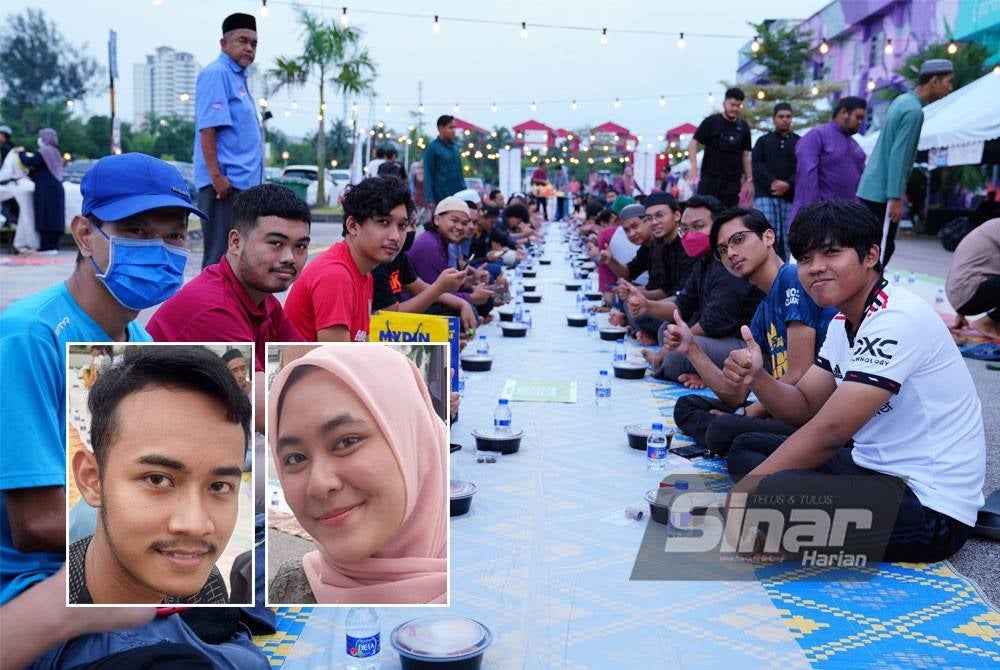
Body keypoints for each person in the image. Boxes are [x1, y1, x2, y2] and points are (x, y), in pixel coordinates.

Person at [722, 199, 984, 563]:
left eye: (831, 253)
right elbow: (805, 409)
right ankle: (795, 530)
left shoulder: (897, 318)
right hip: (872, 469)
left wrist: (743, 495)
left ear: (870, 255)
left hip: (929, 505)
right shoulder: (843, 324)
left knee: (769, 492)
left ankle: (787, 531)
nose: (816, 268)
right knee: (745, 447)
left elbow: (828, 433)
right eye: (806, 258)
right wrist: (758, 377)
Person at [0, 153, 202, 607]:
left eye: (174, 236)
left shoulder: (138, 338)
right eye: (136, 231)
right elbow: (36, 525)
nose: (159, 249)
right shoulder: (29, 337)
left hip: (118, 559)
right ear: (85, 235)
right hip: (37, 586)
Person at [68, 346, 250, 604]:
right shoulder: (30, 627)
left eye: (219, 486)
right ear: (92, 479)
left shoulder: (207, 591)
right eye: (158, 480)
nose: (195, 526)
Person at [267, 344, 447, 604]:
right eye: (295, 458)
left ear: (413, 441)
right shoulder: (294, 590)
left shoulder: (485, 581)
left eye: (346, 442)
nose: (320, 484)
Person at [672, 207, 835, 456]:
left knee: (724, 429)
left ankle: (740, 437)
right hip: (779, 406)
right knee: (687, 405)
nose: (731, 254)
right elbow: (735, 394)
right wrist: (691, 348)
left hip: (810, 411)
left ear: (768, 238)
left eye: (738, 240)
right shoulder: (764, 308)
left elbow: (799, 374)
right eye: (723, 250)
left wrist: (746, 413)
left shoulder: (792, 278)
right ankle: (743, 436)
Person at [147, 183, 309, 373]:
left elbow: (308, 361)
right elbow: (257, 396)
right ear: (235, 242)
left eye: (300, 246)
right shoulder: (214, 308)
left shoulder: (265, 302)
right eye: (276, 243)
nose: (289, 258)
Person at [628, 195, 763, 387]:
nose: (689, 235)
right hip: (717, 339)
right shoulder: (704, 261)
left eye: (698, 227)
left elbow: (713, 322)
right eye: (684, 229)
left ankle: (710, 376)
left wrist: (670, 348)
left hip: (744, 344)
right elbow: (683, 304)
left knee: (675, 356)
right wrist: (646, 305)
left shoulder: (730, 261)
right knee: (665, 330)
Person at [284, 177, 414, 342]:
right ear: (353, 226)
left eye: (402, 226)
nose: (395, 236)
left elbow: (361, 344)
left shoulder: (365, 273)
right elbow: (338, 362)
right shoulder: (336, 275)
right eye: (383, 222)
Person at [858, 59, 955, 266]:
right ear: (934, 80)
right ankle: (871, 295)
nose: (950, 87)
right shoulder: (913, 111)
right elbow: (899, 155)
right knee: (880, 250)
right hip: (882, 192)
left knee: (870, 246)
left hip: (873, 186)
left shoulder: (902, 100)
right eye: (948, 81)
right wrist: (895, 197)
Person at [193, 12, 263, 269]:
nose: (249, 48)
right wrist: (217, 177)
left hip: (241, 185)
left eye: (254, 43)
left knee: (237, 258)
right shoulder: (217, 74)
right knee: (218, 259)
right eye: (243, 41)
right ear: (224, 43)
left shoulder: (238, 77)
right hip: (224, 187)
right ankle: (207, 310)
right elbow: (208, 129)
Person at [407, 197, 493, 318]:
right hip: (415, 306)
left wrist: (473, 283)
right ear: (437, 219)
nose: (459, 227)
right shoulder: (429, 244)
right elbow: (434, 294)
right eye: (454, 220)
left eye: (464, 223)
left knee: (486, 301)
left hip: (434, 298)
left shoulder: (444, 242)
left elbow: (446, 288)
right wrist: (470, 298)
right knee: (463, 313)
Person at [789, 96, 867, 224]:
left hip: (846, 219)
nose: (860, 122)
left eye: (862, 119)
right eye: (858, 117)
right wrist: (814, 214)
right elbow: (807, 177)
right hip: (818, 217)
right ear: (843, 113)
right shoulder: (817, 136)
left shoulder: (855, 145)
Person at [688, 88, 752, 207]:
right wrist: (693, 166)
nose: (735, 109)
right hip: (710, 179)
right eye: (732, 104)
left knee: (729, 216)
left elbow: (745, 155)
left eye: (738, 105)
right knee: (706, 212)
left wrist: (749, 180)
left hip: (732, 181)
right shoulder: (711, 122)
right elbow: (693, 143)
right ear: (724, 103)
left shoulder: (743, 126)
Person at [751, 103, 799, 260]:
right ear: (774, 119)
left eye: (788, 116)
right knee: (767, 232)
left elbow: (802, 167)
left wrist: (788, 184)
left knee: (789, 234)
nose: (785, 120)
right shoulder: (763, 141)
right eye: (781, 116)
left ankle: (786, 269)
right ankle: (766, 266)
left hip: (789, 196)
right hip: (765, 194)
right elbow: (756, 165)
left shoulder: (799, 142)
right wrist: (772, 182)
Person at [946, 217, 1000, 340]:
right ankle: (987, 323)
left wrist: (960, 311)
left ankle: (993, 322)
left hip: (961, 295)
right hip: (970, 293)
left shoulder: (990, 227)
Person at [15, 128, 64, 254]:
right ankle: (54, 245)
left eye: (41, 137)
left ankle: (47, 246)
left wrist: (21, 152)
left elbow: (29, 161)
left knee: (45, 215)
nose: (39, 139)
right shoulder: (55, 152)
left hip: (46, 190)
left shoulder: (45, 152)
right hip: (55, 188)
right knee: (54, 216)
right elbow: (40, 169)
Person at [422, 115, 465, 209]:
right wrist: (430, 199)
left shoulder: (455, 147)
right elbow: (428, 174)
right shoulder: (432, 148)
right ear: (441, 128)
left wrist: (464, 190)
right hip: (440, 198)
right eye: (451, 127)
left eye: (455, 127)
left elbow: (460, 173)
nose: (454, 130)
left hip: (458, 197)